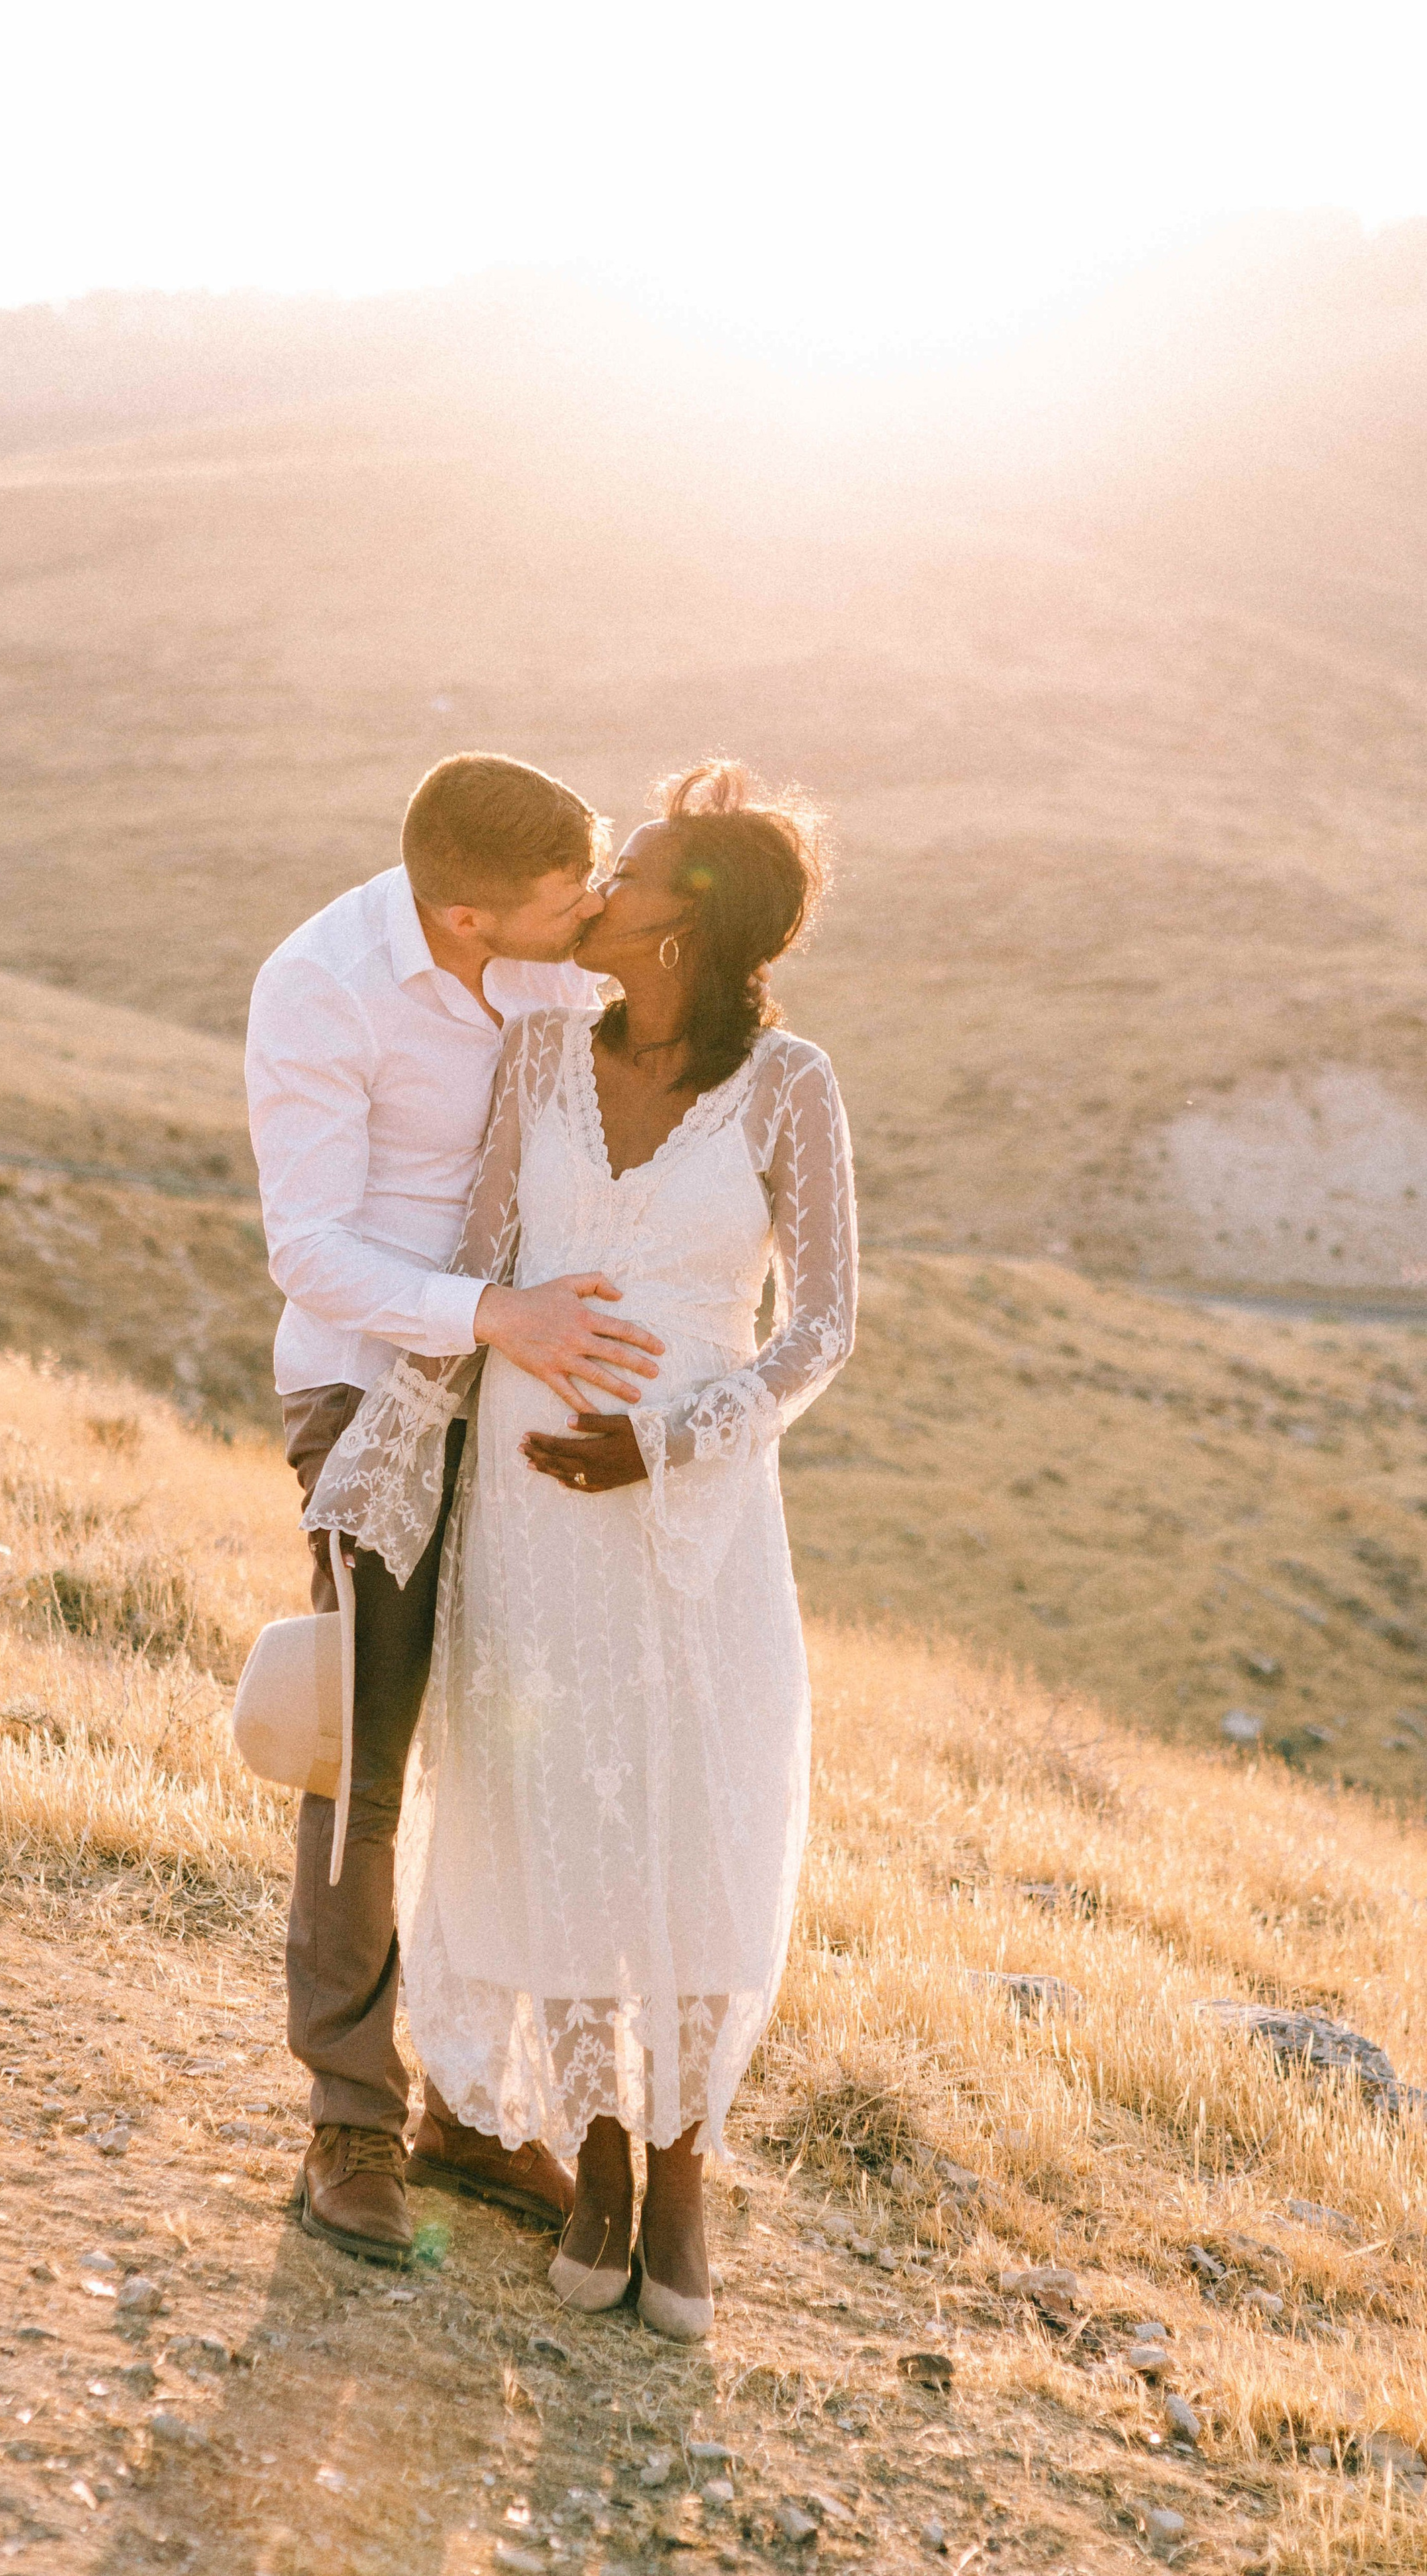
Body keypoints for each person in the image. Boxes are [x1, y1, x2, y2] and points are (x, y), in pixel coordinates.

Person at [304, 761, 857, 2338]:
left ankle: (685, 2163)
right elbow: (482, 1259)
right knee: (556, 1809)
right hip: (532, 1523)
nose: (599, 880)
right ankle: (600, 2147)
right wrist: (390, 1457)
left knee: (693, 1821)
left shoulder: (790, 1087)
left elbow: (821, 1323)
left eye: (639, 864)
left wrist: (669, 1440)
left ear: (690, 921)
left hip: (691, 1522)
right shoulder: (540, 1048)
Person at [246, 751, 669, 2266]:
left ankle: (478, 2111)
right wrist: (490, 1316)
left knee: (520, 1760)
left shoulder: (552, 961)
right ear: (475, 918)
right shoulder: (321, 989)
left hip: (538, 1393)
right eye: (573, 899)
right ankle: (347, 2119)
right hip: (377, 1397)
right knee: (362, 1756)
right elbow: (310, 1252)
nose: (596, 911)